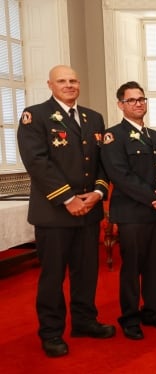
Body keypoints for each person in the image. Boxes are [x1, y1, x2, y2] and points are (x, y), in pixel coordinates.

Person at [17, 65, 115, 357]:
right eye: (62, 81)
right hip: (55, 213)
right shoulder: (35, 117)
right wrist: (68, 198)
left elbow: (101, 162)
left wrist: (97, 193)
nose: (69, 85)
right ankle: (51, 332)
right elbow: (37, 163)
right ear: (50, 84)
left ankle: (84, 321)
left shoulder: (93, 118)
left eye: (73, 80)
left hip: (89, 210)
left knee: (86, 273)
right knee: (53, 276)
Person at [100, 81, 156, 339]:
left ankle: (152, 312)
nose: (138, 104)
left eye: (141, 99)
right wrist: (153, 197)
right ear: (120, 104)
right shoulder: (113, 136)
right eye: (132, 100)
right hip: (133, 214)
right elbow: (119, 175)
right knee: (132, 269)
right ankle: (130, 317)